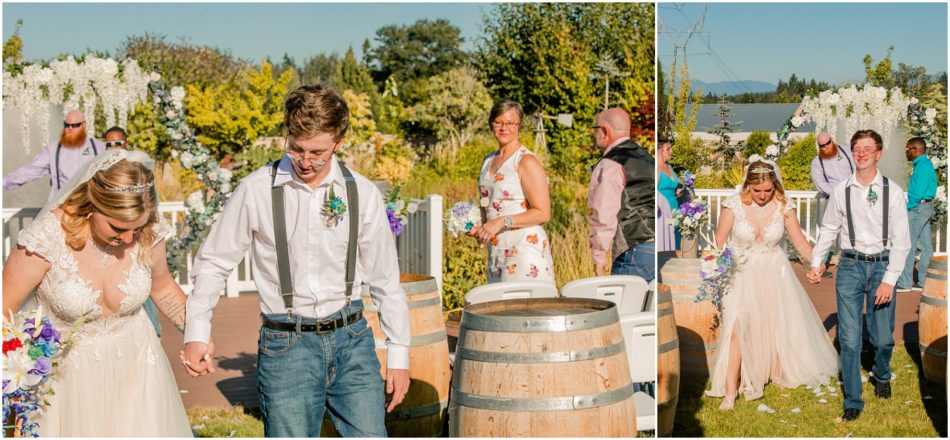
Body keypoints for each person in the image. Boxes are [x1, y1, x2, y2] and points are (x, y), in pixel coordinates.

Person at [182, 84, 411, 437]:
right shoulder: (256, 190)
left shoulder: (361, 193)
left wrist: (399, 353)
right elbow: (213, 263)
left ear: (338, 141)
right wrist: (197, 331)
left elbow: (385, 279)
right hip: (286, 345)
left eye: (317, 151)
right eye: (296, 148)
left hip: (352, 340)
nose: (305, 161)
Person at [1, 149, 193, 436]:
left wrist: (196, 334)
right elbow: (5, 308)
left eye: (136, 229)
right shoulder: (47, 237)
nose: (128, 239)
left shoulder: (147, 231)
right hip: (67, 381)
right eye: (118, 227)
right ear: (92, 205)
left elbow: (163, 285)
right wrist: (15, 377)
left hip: (138, 369)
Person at [705, 156, 838, 411]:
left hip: (775, 273)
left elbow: (801, 244)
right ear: (747, 186)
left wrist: (816, 262)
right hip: (741, 274)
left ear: (775, 185)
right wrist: (712, 266)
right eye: (757, 191)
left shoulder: (783, 207)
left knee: (774, 324)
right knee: (737, 329)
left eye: (768, 190)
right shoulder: (732, 206)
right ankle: (730, 391)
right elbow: (718, 244)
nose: (763, 196)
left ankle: (771, 371)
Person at [808, 129, 910, 422]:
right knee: (850, 341)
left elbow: (902, 241)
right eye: (856, 149)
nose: (862, 153)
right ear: (851, 154)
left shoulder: (894, 191)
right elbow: (828, 229)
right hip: (850, 268)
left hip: (882, 266)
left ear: (879, 154)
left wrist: (890, 279)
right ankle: (853, 399)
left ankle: (881, 373)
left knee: (882, 339)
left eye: (868, 148)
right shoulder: (842, 191)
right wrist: (818, 261)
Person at [469, 99, 555, 283]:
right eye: (498, 122)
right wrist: (481, 227)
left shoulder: (525, 161)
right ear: (491, 124)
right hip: (497, 252)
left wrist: (502, 222)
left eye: (510, 123)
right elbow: (487, 202)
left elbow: (543, 213)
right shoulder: (487, 160)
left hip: (524, 250)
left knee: (522, 311)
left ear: (519, 126)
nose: (503, 128)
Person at [102, 125, 163, 336]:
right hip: (110, 242)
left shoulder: (139, 171)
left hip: (139, 238)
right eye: (109, 144)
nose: (113, 148)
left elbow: (151, 206)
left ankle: (153, 328)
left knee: (140, 283)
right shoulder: (99, 173)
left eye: (117, 143)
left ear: (126, 144)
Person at [588, 108, 655, 281]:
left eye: (595, 129)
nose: (594, 135)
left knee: (625, 307)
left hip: (632, 247)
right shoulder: (647, 158)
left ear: (604, 131)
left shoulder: (611, 163)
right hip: (656, 244)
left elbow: (603, 215)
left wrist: (599, 256)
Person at [4, 110, 104, 201]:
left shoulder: (98, 147)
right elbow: (31, 170)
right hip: (61, 206)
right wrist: (4, 182)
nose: (69, 128)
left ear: (84, 125)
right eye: (66, 125)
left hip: (89, 206)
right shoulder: (53, 149)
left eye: (74, 125)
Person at [810, 131, 855, 278]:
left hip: (854, 195)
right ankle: (818, 264)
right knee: (827, 230)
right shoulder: (817, 162)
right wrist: (837, 194)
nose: (825, 147)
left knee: (853, 230)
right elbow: (821, 184)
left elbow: (858, 169)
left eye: (827, 143)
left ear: (832, 140)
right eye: (821, 145)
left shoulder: (847, 150)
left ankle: (851, 263)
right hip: (833, 198)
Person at [896, 137, 936, 292]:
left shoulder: (923, 166)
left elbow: (918, 193)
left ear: (916, 149)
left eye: (907, 149)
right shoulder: (923, 164)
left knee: (908, 245)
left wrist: (907, 207)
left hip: (918, 208)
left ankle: (905, 283)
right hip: (924, 207)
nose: (906, 153)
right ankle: (924, 282)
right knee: (926, 247)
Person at [656, 138, 681, 248]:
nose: (671, 151)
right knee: (665, 239)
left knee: (675, 238)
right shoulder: (654, 168)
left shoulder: (669, 167)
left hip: (674, 208)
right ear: (660, 151)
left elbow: (672, 185)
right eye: (668, 149)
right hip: (662, 210)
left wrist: (677, 190)